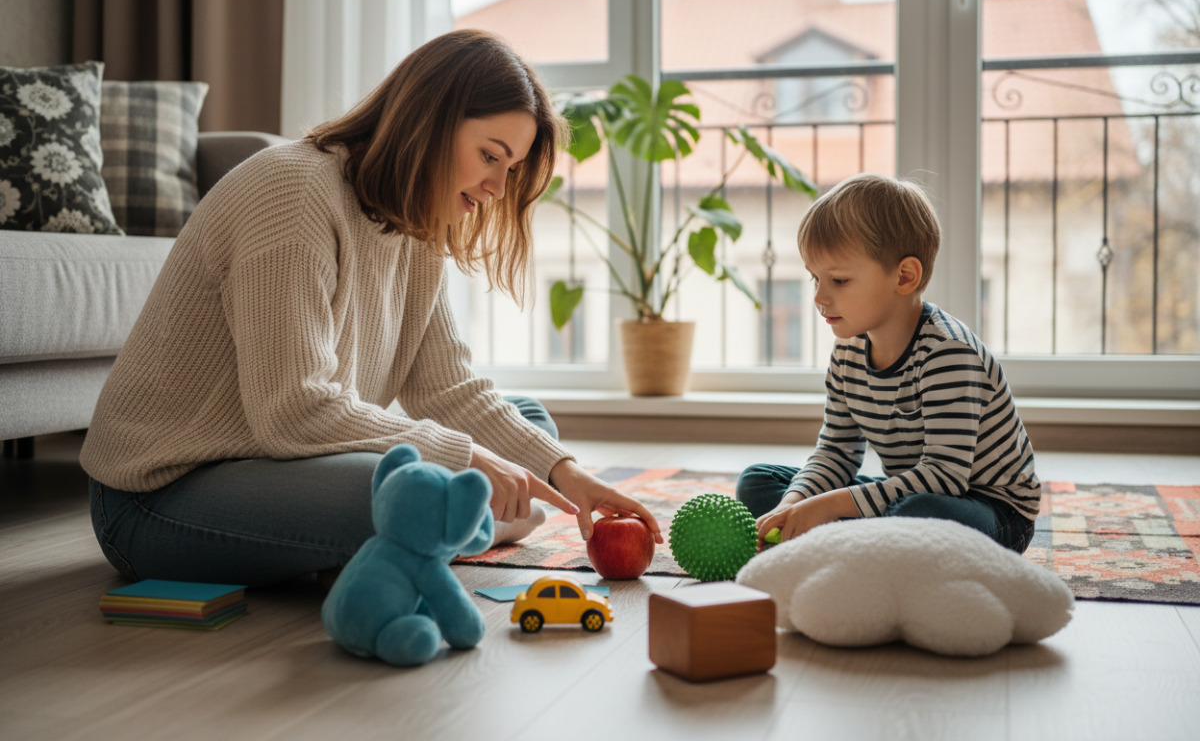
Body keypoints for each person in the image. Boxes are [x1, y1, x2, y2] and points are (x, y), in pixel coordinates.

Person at [80, 29, 663, 587]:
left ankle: (450, 522)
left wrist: (568, 474)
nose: (496, 188)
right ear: (429, 122)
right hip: (157, 499)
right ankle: (469, 520)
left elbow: (448, 390)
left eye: (509, 171)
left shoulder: (416, 221)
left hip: (279, 463)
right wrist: (467, 457)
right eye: (490, 155)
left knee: (525, 420)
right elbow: (294, 408)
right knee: (416, 487)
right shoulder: (292, 192)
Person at [738, 173, 1040, 553]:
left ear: (904, 276)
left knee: (918, 510)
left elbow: (944, 478)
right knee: (757, 483)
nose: (818, 297)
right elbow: (836, 452)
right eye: (814, 278)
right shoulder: (848, 350)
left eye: (839, 280)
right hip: (912, 492)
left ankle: (843, 538)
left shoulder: (948, 352)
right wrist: (793, 505)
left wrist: (829, 505)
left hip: (992, 511)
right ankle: (856, 539)